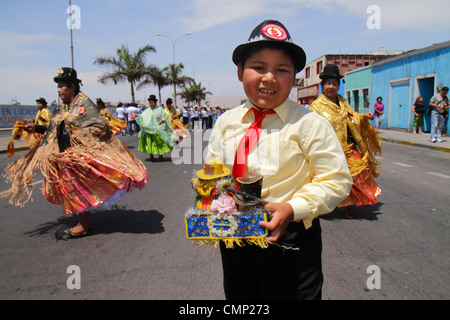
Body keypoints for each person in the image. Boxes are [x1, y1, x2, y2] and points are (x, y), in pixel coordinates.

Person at [206, 20, 352, 300]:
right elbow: (214, 170)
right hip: (236, 238)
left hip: (291, 240)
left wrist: (292, 208)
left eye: (282, 70)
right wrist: (210, 194)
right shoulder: (226, 122)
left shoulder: (310, 124)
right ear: (240, 72)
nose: (269, 77)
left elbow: (336, 180)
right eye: (259, 67)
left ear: (295, 77)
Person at [1, 67, 148, 238]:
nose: (59, 90)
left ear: (73, 87)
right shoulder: (63, 107)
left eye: (62, 86)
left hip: (78, 154)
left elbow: (100, 126)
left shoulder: (84, 105)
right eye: (58, 86)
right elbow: (55, 127)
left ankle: (83, 225)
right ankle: (83, 221)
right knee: (74, 188)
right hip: (64, 154)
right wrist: (37, 128)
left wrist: (79, 137)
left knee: (79, 189)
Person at [309, 64, 382, 219]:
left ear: (338, 86)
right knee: (330, 180)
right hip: (328, 150)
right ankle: (327, 205)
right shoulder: (316, 107)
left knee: (355, 178)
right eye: (328, 83)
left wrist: (362, 117)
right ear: (322, 86)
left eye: (334, 84)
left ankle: (349, 205)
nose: (331, 87)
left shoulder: (343, 102)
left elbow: (350, 117)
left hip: (348, 148)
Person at [136, 94, 175, 161]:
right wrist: (138, 115)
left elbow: (165, 116)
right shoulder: (147, 111)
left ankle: (160, 155)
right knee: (150, 143)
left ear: (155, 102)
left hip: (157, 129)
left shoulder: (160, 109)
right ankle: (151, 155)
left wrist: (161, 120)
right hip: (149, 129)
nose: (151, 104)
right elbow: (142, 116)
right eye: (150, 102)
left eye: (152, 102)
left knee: (159, 142)